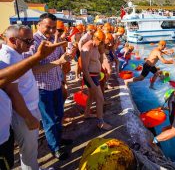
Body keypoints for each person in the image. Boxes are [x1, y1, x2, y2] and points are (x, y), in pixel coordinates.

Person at [0, 38, 66, 170]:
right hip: (24, 112)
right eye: (28, 40)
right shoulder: (7, 57)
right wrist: (28, 117)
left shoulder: (17, 54)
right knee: (28, 152)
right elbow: (12, 90)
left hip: (16, 118)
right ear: (13, 39)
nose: (32, 44)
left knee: (29, 152)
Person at [24, 13, 73, 160]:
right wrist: (59, 62)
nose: (52, 31)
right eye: (48, 27)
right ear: (38, 25)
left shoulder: (54, 39)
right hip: (42, 88)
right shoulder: (32, 42)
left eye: (54, 28)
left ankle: (57, 139)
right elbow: (33, 69)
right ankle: (54, 147)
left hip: (56, 84)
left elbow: (61, 60)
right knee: (49, 120)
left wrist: (66, 58)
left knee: (59, 115)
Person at [81, 30, 112, 130]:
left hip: (95, 76)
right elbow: (84, 69)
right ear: (95, 38)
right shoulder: (87, 47)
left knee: (91, 96)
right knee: (100, 99)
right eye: (102, 42)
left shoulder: (96, 47)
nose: (103, 44)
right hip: (90, 76)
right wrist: (91, 83)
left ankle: (86, 113)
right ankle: (100, 122)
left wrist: (102, 50)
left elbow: (100, 61)